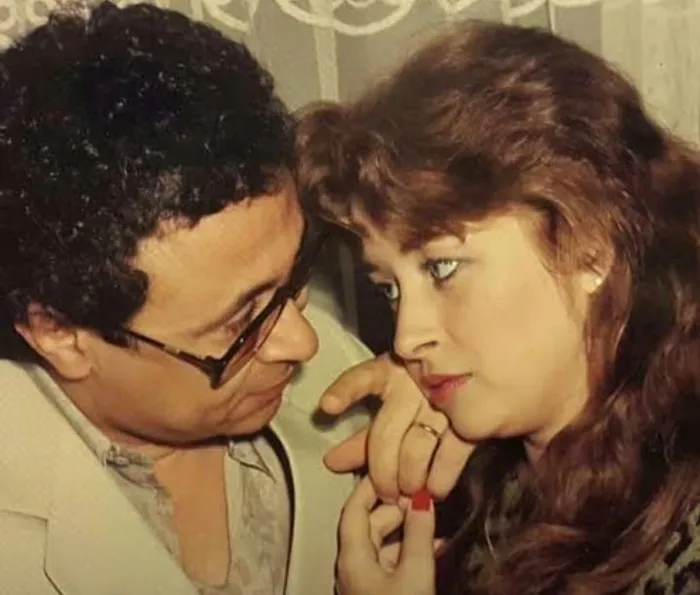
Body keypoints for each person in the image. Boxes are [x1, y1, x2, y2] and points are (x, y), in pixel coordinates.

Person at [297, 20, 700, 595]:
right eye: (390, 288)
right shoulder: (493, 462)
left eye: (442, 268)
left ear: (589, 248)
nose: (406, 338)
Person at [0, 3, 372, 594]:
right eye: (241, 322)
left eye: (297, 271)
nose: (304, 342)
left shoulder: (347, 376)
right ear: (59, 333)